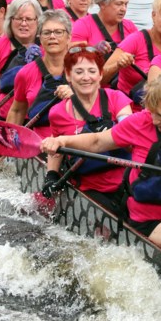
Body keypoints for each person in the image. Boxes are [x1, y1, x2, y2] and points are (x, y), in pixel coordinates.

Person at [40, 73, 161, 250]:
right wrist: (63, 141)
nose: (154, 120)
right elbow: (97, 141)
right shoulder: (141, 121)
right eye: (152, 112)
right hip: (148, 219)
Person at [44, 46, 134, 215]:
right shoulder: (57, 113)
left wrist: (114, 131)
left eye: (92, 71)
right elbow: (57, 149)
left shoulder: (117, 98)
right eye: (79, 72)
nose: (86, 78)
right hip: (90, 190)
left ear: (100, 74)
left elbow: (130, 138)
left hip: (126, 185)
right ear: (68, 75)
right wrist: (51, 175)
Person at [102, 0, 161, 106]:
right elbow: (101, 78)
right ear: (153, 15)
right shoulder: (135, 40)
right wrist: (118, 65)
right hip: (127, 106)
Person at [5, 9, 74, 138]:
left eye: (59, 32)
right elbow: (17, 111)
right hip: (40, 142)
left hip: (75, 139)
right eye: (47, 33)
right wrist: (5, 143)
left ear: (69, 37)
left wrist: (75, 96)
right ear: (40, 38)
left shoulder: (83, 69)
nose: (52, 37)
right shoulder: (25, 73)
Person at [0, 0, 41, 120]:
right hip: (7, 117)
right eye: (18, 19)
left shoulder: (49, 47)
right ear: (10, 20)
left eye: (28, 19)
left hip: (38, 118)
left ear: (38, 21)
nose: (23, 24)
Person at [70, 0, 138, 65]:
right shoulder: (82, 25)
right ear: (102, 4)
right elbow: (72, 57)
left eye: (126, 4)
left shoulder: (130, 27)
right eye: (118, 4)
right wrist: (94, 50)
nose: (123, 9)